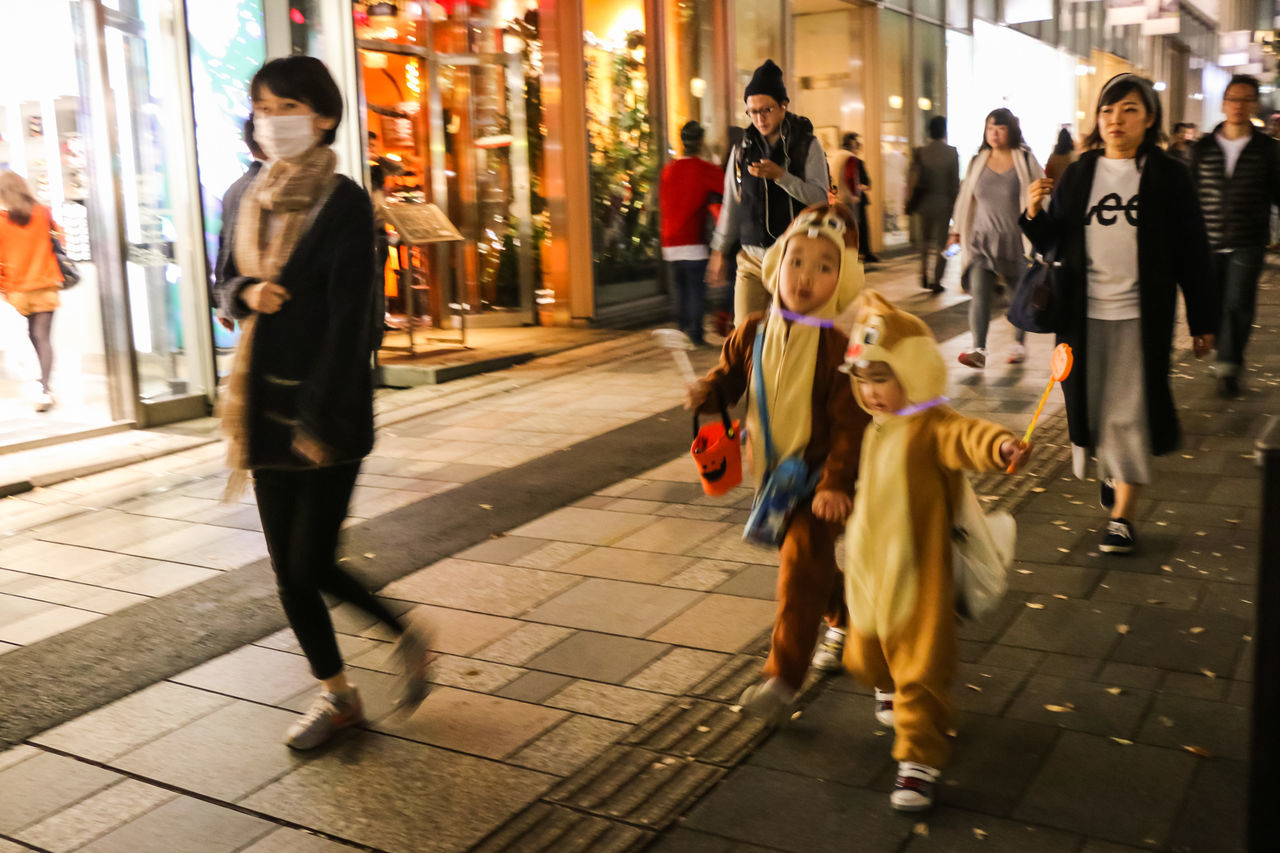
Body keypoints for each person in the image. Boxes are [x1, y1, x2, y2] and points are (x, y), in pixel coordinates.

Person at [215, 56, 431, 750]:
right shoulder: (238, 196)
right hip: (258, 410)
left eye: (287, 108)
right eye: (263, 108)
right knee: (291, 573)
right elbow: (223, 281)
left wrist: (318, 413)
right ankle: (338, 697)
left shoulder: (344, 205)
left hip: (324, 414)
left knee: (312, 561)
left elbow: (354, 322)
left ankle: (404, 634)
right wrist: (245, 293)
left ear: (324, 116)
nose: (272, 121)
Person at [840, 290, 1031, 812]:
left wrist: (1001, 445)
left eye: (882, 377)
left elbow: (966, 435)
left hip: (921, 574)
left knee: (921, 666)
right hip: (868, 570)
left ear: (914, 370)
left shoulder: (930, 423)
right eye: (862, 378)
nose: (871, 392)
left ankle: (918, 760)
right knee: (863, 654)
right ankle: (891, 687)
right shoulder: (877, 425)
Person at [687, 203, 869, 722]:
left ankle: (783, 678)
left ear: (843, 279)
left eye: (824, 266)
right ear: (776, 264)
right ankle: (849, 617)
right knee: (812, 566)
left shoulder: (839, 347)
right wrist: (707, 391)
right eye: (797, 261)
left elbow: (849, 425)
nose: (806, 276)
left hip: (818, 485)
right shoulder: (753, 329)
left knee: (798, 567)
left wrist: (836, 483)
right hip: (775, 478)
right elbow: (730, 377)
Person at [1022, 73, 1216, 555]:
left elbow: (1192, 249)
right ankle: (1112, 468)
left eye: (1128, 110)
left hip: (1139, 317)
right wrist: (1032, 213)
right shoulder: (1082, 172)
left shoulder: (1169, 175)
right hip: (1082, 317)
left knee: (1129, 413)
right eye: (1108, 111)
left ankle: (1122, 517)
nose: (1116, 120)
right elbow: (1053, 242)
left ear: (1148, 118)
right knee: (1089, 408)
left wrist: (1202, 318)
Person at [707, 59, 830, 324]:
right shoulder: (742, 148)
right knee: (744, 337)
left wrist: (782, 177)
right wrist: (719, 251)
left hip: (792, 258)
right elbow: (731, 203)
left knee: (787, 337)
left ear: (783, 105)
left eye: (767, 110)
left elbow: (820, 199)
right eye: (752, 112)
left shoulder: (806, 145)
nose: (759, 118)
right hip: (750, 258)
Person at [1189, 74, 1280, 397]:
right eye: (1232, 98)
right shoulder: (1202, 148)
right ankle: (1220, 348)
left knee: (1238, 303)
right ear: (1224, 103)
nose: (1238, 106)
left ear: (1253, 104)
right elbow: (1188, 195)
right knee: (1212, 302)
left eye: (1245, 99)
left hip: (1248, 239)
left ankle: (1229, 365)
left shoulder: (1269, 150)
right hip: (1208, 238)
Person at [948, 108, 1045, 368]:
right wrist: (956, 230)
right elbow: (965, 196)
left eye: (1000, 128)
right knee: (980, 294)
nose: (995, 133)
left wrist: (1042, 227)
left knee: (1017, 296)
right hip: (980, 239)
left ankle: (1018, 343)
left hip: (1016, 239)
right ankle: (978, 349)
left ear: (1011, 130)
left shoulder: (1024, 159)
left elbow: (1040, 192)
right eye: (990, 128)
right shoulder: (978, 160)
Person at [0, 171, 65, 413]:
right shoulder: (43, 213)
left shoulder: (1, 220)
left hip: (19, 289)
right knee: (44, 336)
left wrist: (3, 287)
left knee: (32, 334)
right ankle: (46, 388)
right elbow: (60, 240)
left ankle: (43, 385)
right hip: (46, 283)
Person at [659, 120, 725, 345]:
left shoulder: (669, 170)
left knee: (680, 287)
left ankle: (682, 328)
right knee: (696, 287)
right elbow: (728, 188)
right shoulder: (704, 169)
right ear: (701, 142)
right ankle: (695, 334)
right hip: (692, 238)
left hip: (670, 239)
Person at [214, 118, 267, 332]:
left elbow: (224, 249)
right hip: (262, 297)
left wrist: (224, 304)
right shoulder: (264, 187)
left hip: (248, 301)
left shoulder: (235, 188)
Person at [908, 116, 960, 293]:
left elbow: (912, 178)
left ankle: (923, 270)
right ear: (944, 130)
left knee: (924, 241)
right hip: (943, 204)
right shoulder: (952, 152)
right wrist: (955, 207)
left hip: (924, 203)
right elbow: (954, 184)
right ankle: (937, 280)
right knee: (941, 244)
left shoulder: (921, 152)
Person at [843, 134, 880, 263]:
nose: (854, 149)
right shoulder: (843, 160)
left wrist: (859, 187)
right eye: (852, 146)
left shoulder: (858, 162)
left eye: (855, 146)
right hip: (847, 200)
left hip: (859, 200)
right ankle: (854, 252)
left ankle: (866, 251)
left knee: (863, 227)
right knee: (850, 227)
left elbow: (867, 183)